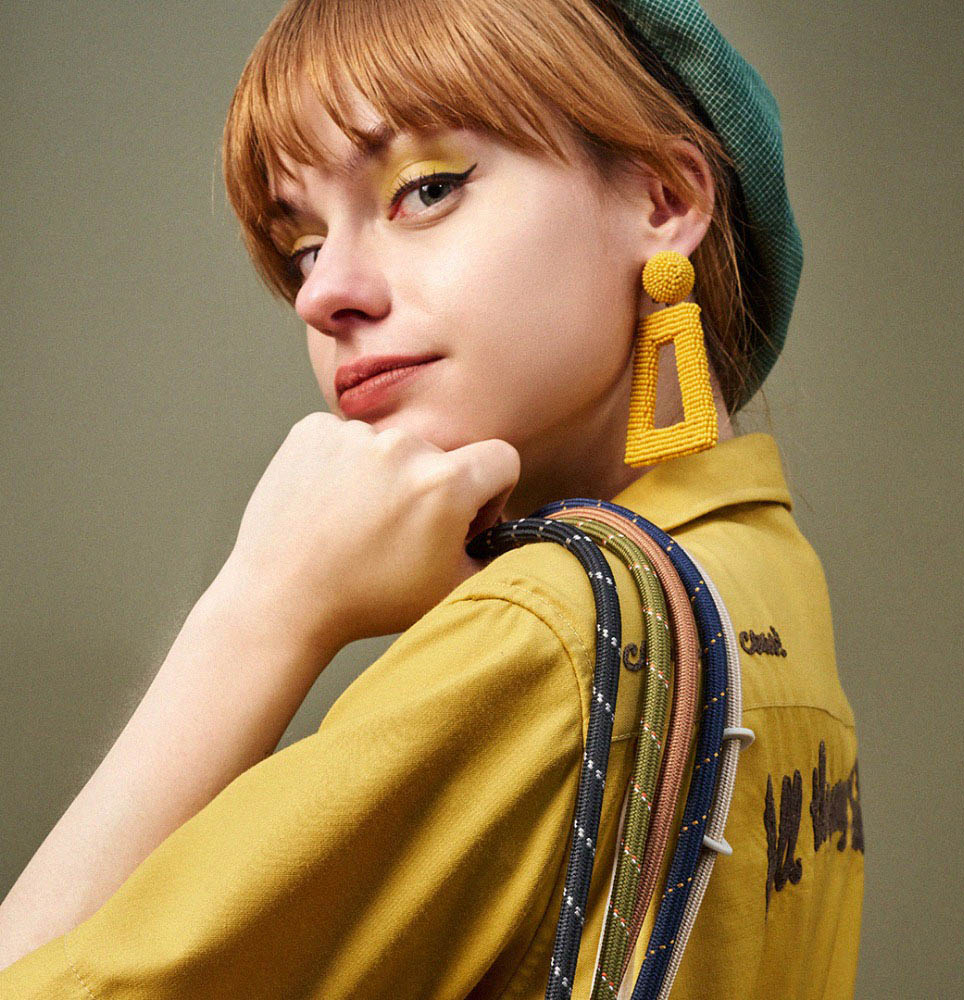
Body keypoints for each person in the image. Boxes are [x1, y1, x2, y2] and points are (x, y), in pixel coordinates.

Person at [0, 1, 864, 997]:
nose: (321, 295)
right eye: (303, 246)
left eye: (426, 189)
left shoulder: (546, 637)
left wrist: (261, 609)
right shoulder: (764, 568)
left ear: (663, 200)